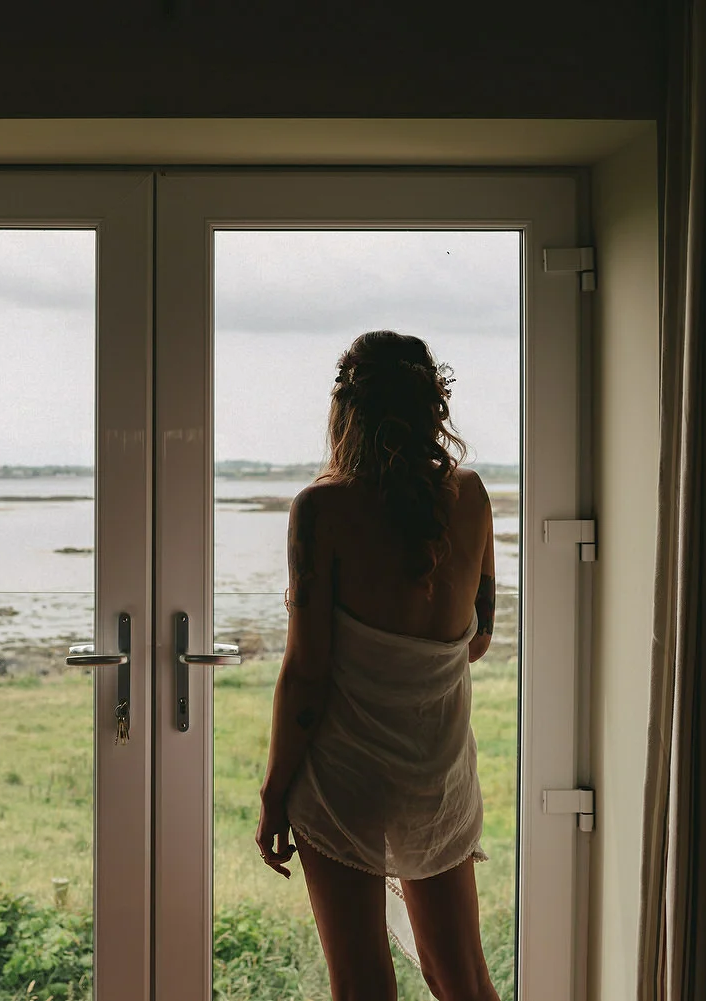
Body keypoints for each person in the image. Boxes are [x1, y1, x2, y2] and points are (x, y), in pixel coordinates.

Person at [255, 330, 500, 1001]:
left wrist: (276, 791)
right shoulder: (472, 496)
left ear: (346, 411)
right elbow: (474, 638)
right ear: (432, 407)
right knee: (463, 978)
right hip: (438, 778)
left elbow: (307, 674)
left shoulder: (322, 509)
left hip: (347, 783)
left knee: (362, 986)